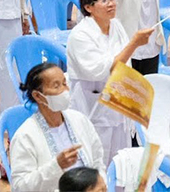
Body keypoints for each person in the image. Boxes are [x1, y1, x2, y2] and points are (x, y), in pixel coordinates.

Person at [66, 0, 154, 164]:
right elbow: (99, 71)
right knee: (96, 163)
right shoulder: (80, 35)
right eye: (104, 0)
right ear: (88, 7)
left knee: (121, 165)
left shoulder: (116, 26)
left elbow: (125, 66)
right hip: (93, 108)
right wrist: (133, 44)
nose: (112, 4)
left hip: (118, 105)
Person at [9, 63, 105, 192]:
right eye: (56, 86)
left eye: (64, 83)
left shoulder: (80, 120)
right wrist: (56, 166)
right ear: (38, 96)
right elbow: (20, 187)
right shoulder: (25, 136)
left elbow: (98, 160)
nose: (65, 90)